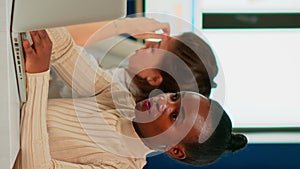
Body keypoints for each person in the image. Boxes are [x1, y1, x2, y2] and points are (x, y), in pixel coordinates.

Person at [13, 27, 247, 169]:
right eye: (175, 97)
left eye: (174, 116)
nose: (163, 102)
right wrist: (39, 21)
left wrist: (38, 75)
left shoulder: (120, 165)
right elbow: (65, 53)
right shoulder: (121, 100)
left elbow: (34, 166)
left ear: (174, 150)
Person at [49, 17, 218, 102]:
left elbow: (54, 40)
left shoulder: (109, 89)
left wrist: (125, 26)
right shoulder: (125, 84)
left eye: (154, 48)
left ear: (153, 78)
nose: (147, 43)